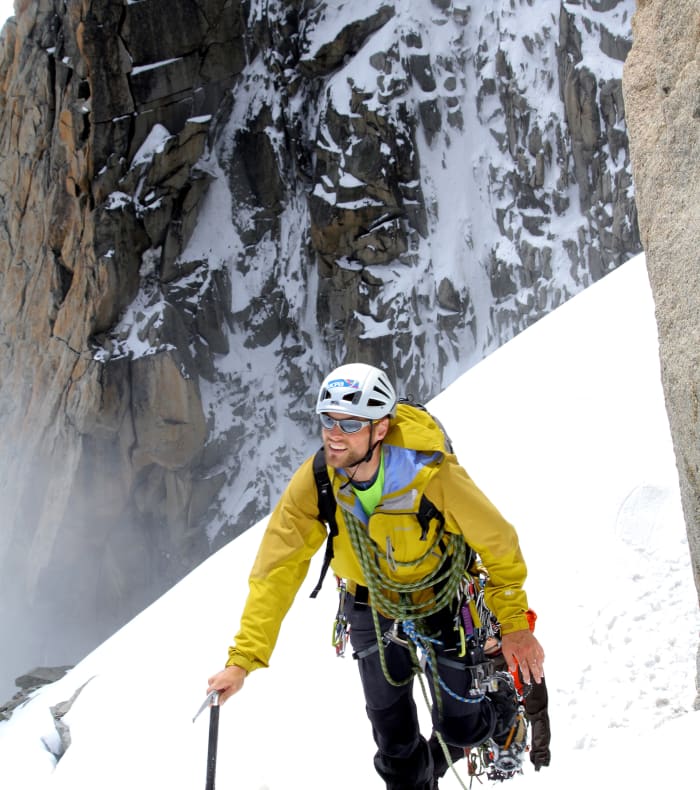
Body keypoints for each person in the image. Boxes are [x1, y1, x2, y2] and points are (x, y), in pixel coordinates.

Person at [207, 363, 545, 789]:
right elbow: (276, 570)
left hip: (440, 597)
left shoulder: (430, 473)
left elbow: (499, 543)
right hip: (370, 603)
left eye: (350, 424)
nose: (334, 434)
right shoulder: (318, 481)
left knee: (463, 728)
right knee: (395, 747)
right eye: (328, 420)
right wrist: (242, 660)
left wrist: (514, 624)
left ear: (380, 429)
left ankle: (502, 712)